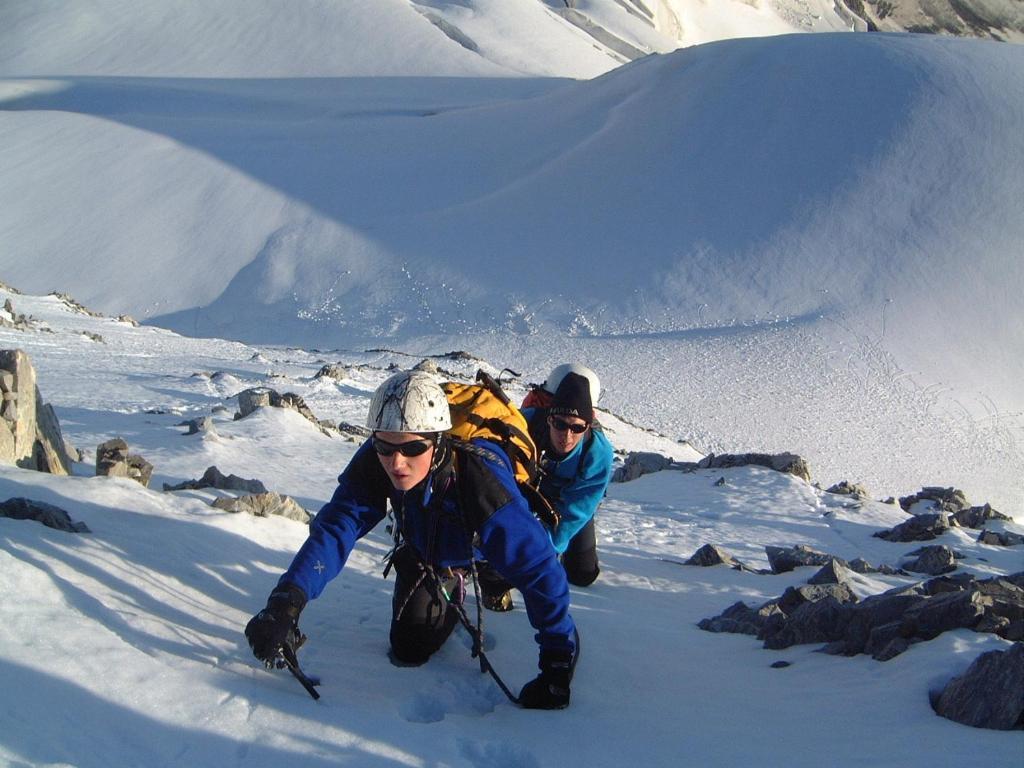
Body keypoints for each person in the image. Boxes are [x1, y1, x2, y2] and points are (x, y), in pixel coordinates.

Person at [244, 370, 579, 709]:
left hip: (488, 552)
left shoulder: (482, 482)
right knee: (410, 645)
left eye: (413, 449)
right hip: (429, 552)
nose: (396, 462)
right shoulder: (381, 455)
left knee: (512, 566)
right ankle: (453, 582)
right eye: (383, 448)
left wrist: (557, 657)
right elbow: (337, 527)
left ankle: (490, 580)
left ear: (438, 441)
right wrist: (287, 600)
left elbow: (540, 569)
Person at [523, 364, 613, 587]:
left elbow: (578, 509)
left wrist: (544, 550)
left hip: (571, 501)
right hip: (528, 494)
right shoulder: (524, 425)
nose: (567, 435)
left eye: (577, 428)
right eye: (559, 424)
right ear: (548, 419)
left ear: (588, 424)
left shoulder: (598, 453)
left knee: (582, 574)